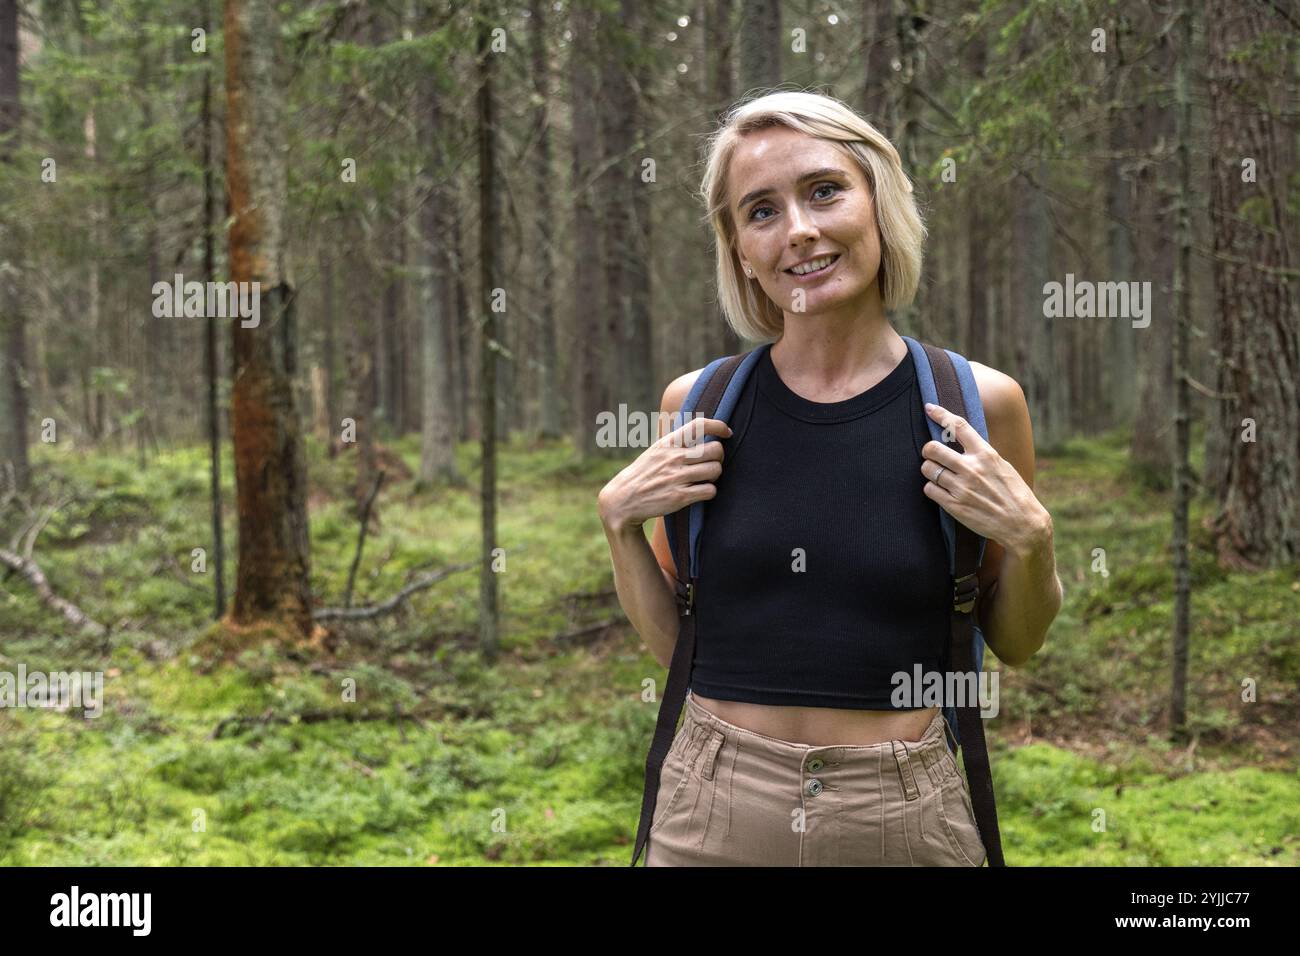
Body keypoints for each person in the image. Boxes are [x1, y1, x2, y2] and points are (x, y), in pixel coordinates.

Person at [597, 89, 1063, 866]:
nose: (800, 231)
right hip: (709, 811)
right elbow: (683, 647)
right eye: (761, 210)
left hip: (902, 813)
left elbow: (1015, 643)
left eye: (824, 191)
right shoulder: (701, 405)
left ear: (879, 201)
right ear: (739, 247)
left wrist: (1035, 539)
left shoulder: (976, 404)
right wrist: (619, 527)